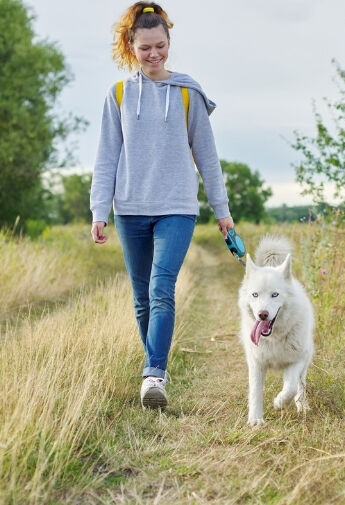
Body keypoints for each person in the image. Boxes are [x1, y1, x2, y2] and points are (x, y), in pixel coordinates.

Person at [89, 1, 234, 410]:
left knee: (160, 288)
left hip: (177, 207)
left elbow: (207, 157)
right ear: (131, 46)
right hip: (130, 208)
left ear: (169, 42)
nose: (154, 54)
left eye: (160, 46)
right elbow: (106, 157)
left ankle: (153, 373)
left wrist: (221, 210)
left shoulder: (188, 93)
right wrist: (99, 210)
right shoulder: (118, 94)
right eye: (145, 48)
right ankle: (156, 367)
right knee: (141, 298)